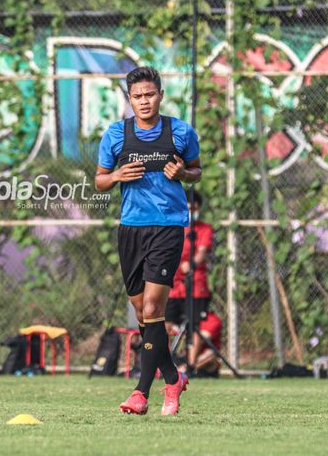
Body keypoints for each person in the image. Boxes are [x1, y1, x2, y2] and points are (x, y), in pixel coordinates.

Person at [95, 67, 202, 415]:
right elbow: (99, 181)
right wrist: (115, 176)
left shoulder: (180, 132)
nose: (145, 101)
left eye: (150, 94)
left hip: (168, 228)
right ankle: (173, 378)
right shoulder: (116, 135)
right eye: (138, 96)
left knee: (155, 309)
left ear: (160, 94)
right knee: (143, 313)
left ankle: (141, 392)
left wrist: (183, 173)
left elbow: (197, 170)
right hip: (130, 230)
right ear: (130, 99)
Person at [165, 191, 214, 336]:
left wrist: (191, 264)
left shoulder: (205, 229)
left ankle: (191, 358)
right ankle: (165, 357)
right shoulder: (172, 227)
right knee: (166, 324)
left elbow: (202, 251)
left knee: (194, 329)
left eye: (193, 209)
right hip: (172, 287)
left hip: (195, 286)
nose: (190, 212)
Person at [181, 311, 222, 378]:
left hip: (205, 359)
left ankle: (190, 369)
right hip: (186, 354)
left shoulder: (213, 319)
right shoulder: (184, 317)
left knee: (210, 353)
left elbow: (203, 337)